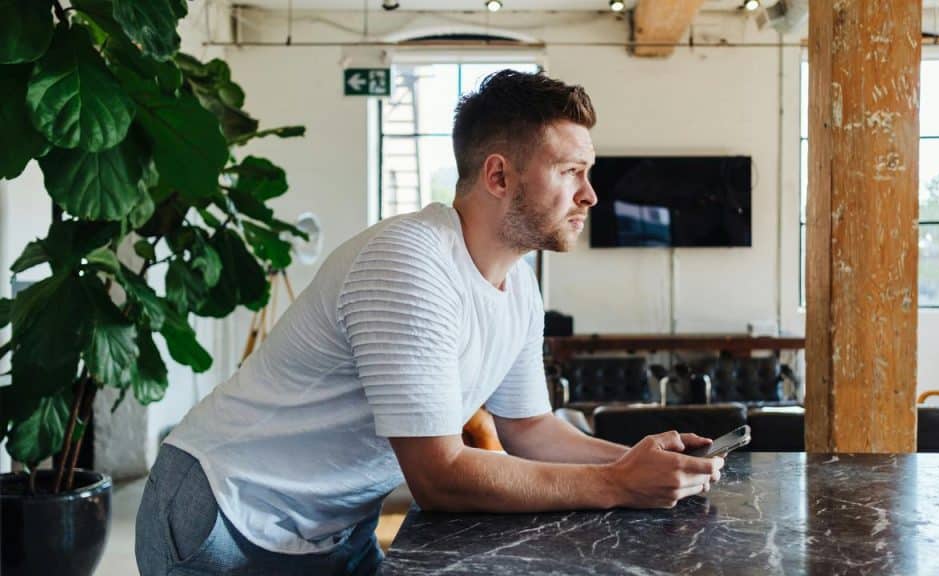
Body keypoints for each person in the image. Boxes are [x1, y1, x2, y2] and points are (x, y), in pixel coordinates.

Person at [135, 70, 724, 576]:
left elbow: (532, 430)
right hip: (226, 513)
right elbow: (439, 476)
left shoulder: (518, 285)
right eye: (571, 171)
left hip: (333, 526)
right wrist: (620, 484)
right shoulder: (409, 261)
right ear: (499, 176)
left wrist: (643, 463)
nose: (590, 195)